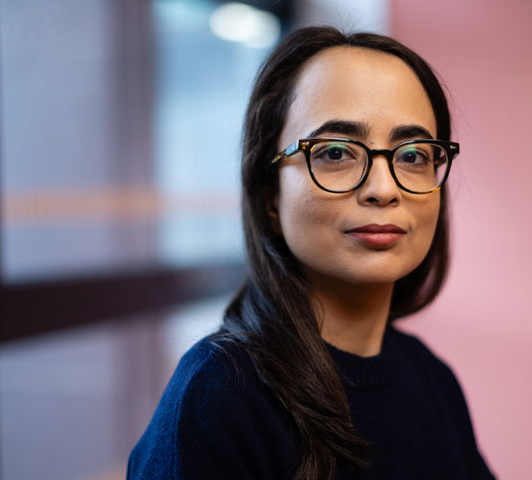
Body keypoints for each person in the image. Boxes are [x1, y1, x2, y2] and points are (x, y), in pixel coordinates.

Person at [128, 26, 496, 480]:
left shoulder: (430, 379)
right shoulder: (220, 393)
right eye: (337, 152)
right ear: (271, 197)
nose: (383, 189)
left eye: (414, 155)